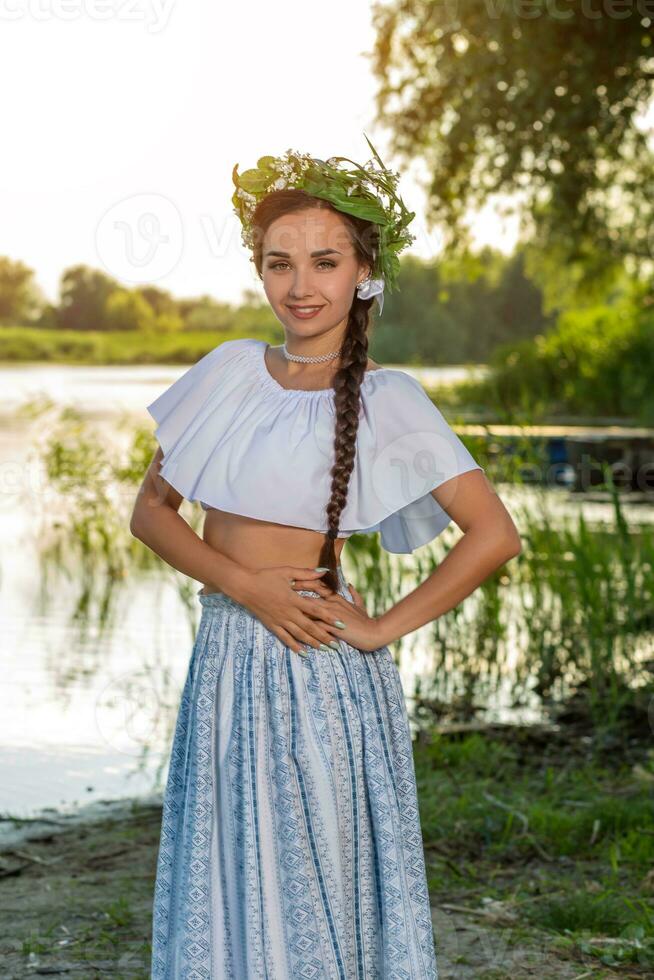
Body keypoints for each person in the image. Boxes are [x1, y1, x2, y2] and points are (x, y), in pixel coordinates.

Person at [131, 138, 522, 979]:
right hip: (229, 656)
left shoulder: (389, 399)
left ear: (364, 271)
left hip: (318, 669)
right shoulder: (231, 372)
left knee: (319, 874)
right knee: (230, 858)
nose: (300, 286)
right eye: (280, 264)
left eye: (324, 262)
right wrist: (244, 589)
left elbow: (494, 535)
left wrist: (380, 630)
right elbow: (151, 514)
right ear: (260, 272)